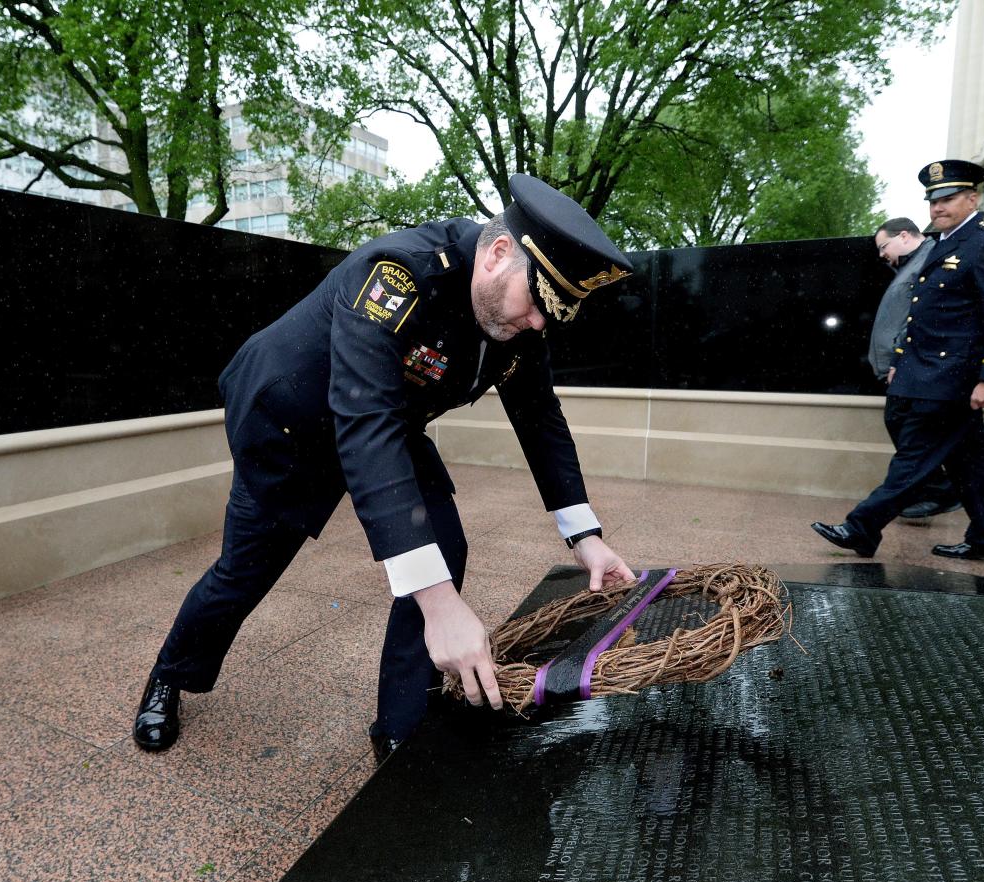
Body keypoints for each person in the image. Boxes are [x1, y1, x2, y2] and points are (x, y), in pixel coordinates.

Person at [133, 174, 636, 761]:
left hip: (383, 418)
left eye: (555, 314)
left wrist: (586, 537)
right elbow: (362, 422)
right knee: (244, 572)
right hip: (291, 420)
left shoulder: (514, 319)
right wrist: (441, 605)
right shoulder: (400, 273)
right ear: (499, 255)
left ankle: (401, 729)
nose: (539, 325)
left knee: (442, 549)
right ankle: (170, 674)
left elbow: (539, 416)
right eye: (539, 303)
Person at [812, 159, 984, 563]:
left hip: (952, 378)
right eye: (933, 201)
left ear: (972, 199)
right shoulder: (943, 244)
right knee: (970, 461)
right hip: (928, 373)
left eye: (947, 199)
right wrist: (900, 360)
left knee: (915, 456)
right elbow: (921, 315)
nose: (937, 207)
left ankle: (862, 527)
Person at [869, 217, 961, 520]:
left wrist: (899, 358)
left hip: (910, 366)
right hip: (903, 367)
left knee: (904, 427)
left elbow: (917, 317)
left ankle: (939, 490)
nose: (881, 254)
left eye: (884, 246)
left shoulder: (928, 261)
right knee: (910, 431)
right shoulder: (910, 265)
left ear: (905, 235)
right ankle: (931, 491)